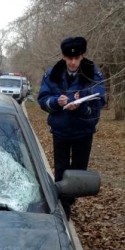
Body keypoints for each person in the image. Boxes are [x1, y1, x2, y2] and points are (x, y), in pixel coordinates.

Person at [38, 36, 107, 218]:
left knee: (78, 170)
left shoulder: (93, 73)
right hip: (60, 130)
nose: (73, 62)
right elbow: (42, 99)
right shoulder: (52, 73)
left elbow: (99, 102)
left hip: (83, 131)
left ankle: (68, 201)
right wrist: (55, 101)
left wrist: (81, 106)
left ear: (82, 56)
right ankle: (64, 207)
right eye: (70, 58)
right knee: (61, 169)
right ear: (64, 57)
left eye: (77, 58)